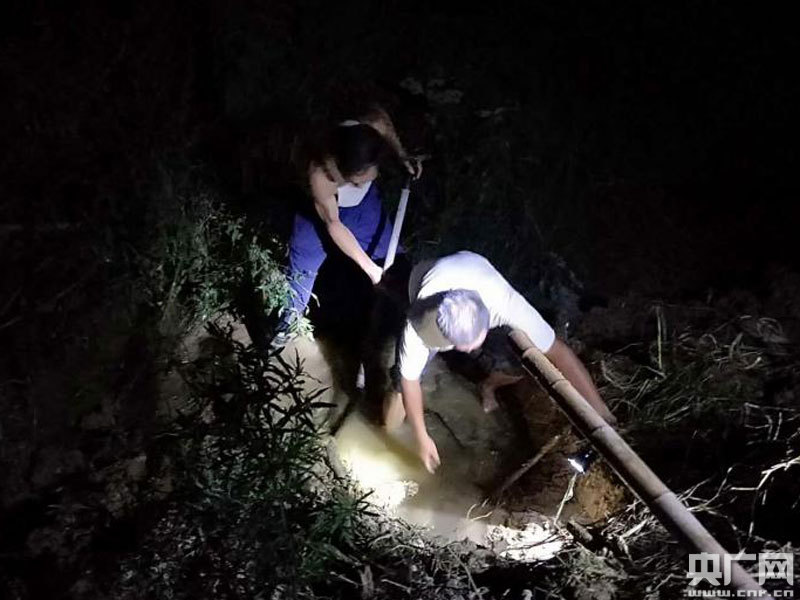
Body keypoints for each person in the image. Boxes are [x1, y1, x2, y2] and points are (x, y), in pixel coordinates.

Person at [384, 251, 616, 473]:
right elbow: (409, 381)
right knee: (400, 383)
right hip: (422, 280)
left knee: (520, 362)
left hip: (475, 272)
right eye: (464, 347)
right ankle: (387, 435)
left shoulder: (505, 302)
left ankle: (488, 386)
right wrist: (421, 436)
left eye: (474, 344)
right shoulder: (419, 324)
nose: (470, 350)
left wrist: (601, 412)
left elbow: (559, 353)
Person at [277, 105, 420, 337]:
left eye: (368, 178)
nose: (361, 183)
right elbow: (334, 225)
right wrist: (371, 270)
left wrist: (401, 155)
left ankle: (411, 317)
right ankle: (284, 328)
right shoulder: (320, 175)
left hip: (362, 208)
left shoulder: (369, 131)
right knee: (300, 274)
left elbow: (382, 120)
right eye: (356, 181)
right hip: (318, 214)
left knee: (395, 262)